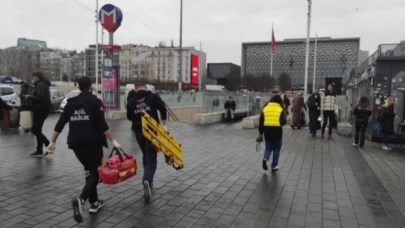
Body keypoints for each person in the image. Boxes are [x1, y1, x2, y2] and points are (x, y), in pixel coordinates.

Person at [46, 76, 121, 223]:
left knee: (89, 171)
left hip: (75, 144)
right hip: (92, 143)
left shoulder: (71, 103)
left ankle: (94, 203)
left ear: (78, 86)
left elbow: (60, 123)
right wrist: (114, 140)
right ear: (91, 86)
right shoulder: (95, 102)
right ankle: (81, 199)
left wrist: (52, 142)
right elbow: (102, 124)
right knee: (96, 174)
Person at [126, 81, 167, 202]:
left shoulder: (131, 101)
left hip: (139, 133)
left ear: (136, 88)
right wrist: (164, 124)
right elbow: (163, 108)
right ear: (146, 87)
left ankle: (149, 181)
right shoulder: (153, 97)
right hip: (152, 133)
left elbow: (129, 117)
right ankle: (147, 180)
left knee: (146, 155)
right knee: (152, 157)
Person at [24, 71, 51, 156]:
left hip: (40, 110)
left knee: (34, 130)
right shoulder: (42, 84)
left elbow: (40, 97)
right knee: (38, 130)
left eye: (33, 77)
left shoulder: (40, 85)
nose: (33, 79)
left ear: (37, 77)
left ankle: (48, 143)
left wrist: (29, 97)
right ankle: (39, 150)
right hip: (42, 109)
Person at [257, 95, 286, 171]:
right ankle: (274, 166)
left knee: (268, 147)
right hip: (277, 131)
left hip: (267, 131)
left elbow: (261, 121)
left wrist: (260, 131)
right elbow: (282, 122)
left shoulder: (265, 108)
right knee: (276, 149)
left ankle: (265, 158)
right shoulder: (280, 109)